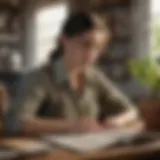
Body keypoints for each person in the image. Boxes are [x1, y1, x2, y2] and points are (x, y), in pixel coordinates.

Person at [4, 12, 143, 136]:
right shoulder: (38, 77)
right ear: (64, 40)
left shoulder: (94, 76)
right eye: (86, 44)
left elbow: (131, 110)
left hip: (92, 152)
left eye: (97, 48)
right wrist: (70, 126)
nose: (91, 55)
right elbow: (16, 123)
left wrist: (117, 121)